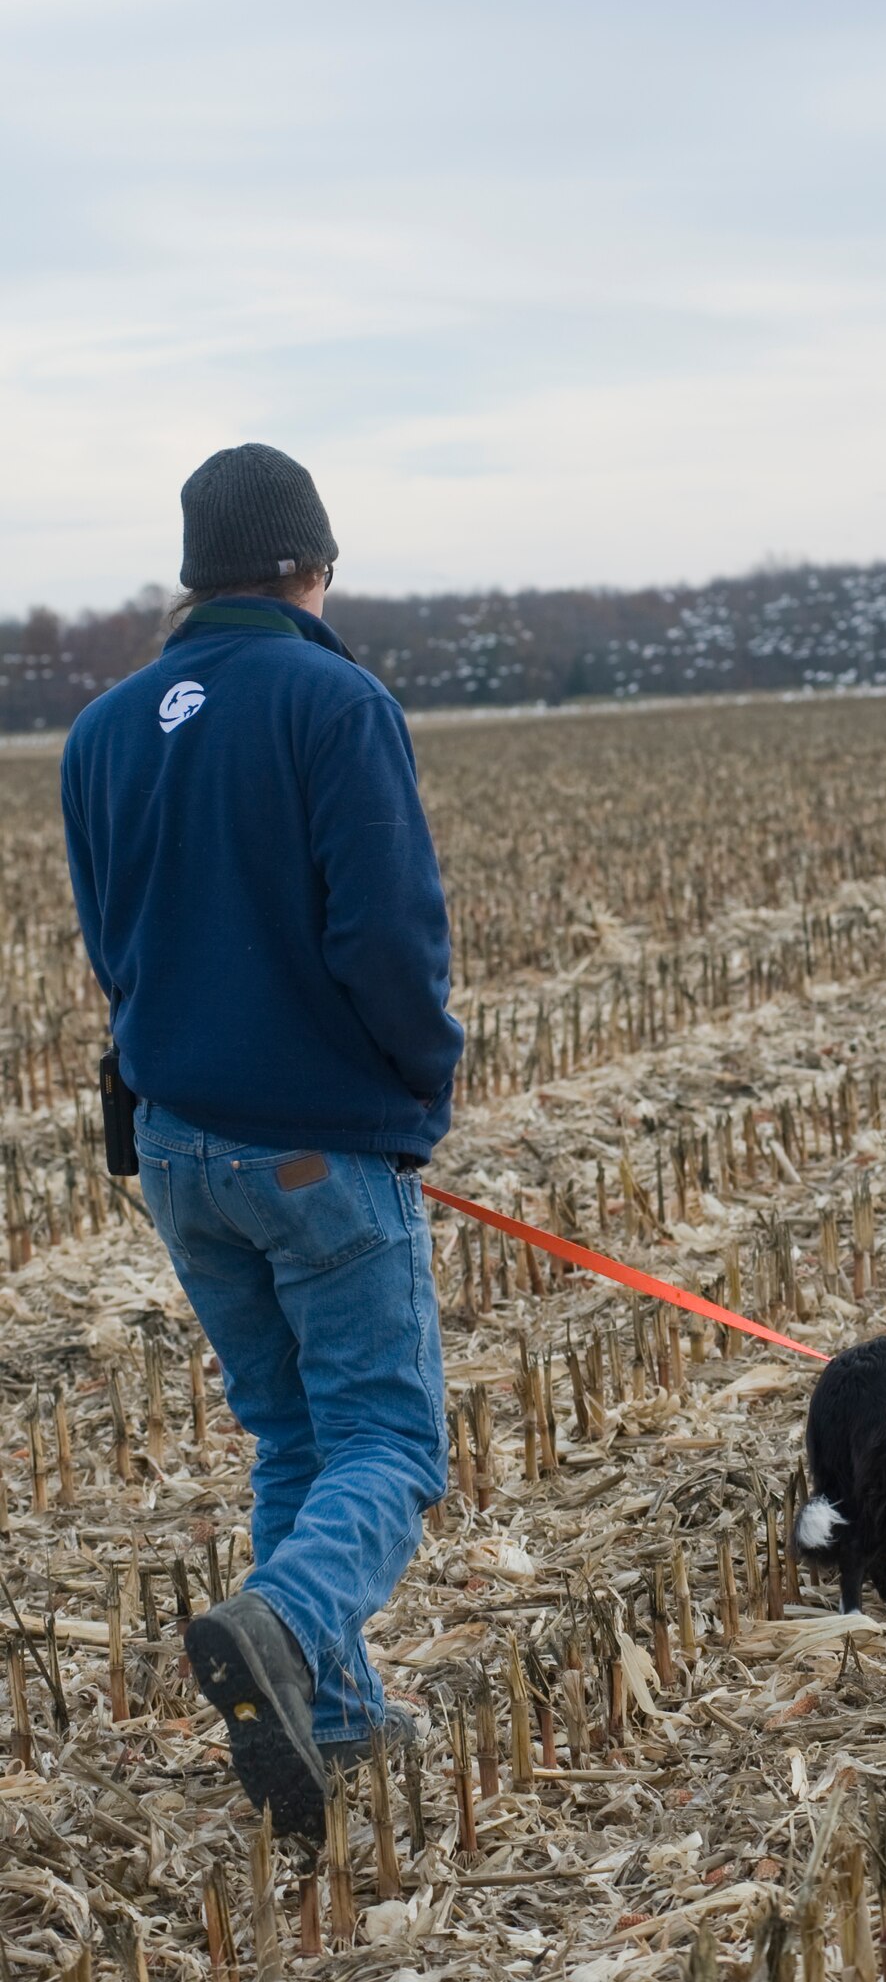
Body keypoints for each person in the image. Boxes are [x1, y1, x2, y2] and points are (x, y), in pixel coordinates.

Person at [61, 443, 464, 1838]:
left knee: (291, 1431)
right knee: (390, 1441)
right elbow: (387, 936)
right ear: (312, 564)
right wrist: (421, 1090)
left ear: (195, 572)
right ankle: (288, 1629)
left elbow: (112, 944)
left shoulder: (105, 729)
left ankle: (334, 1714)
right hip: (310, 1151)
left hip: (177, 1148)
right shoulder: (333, 700)